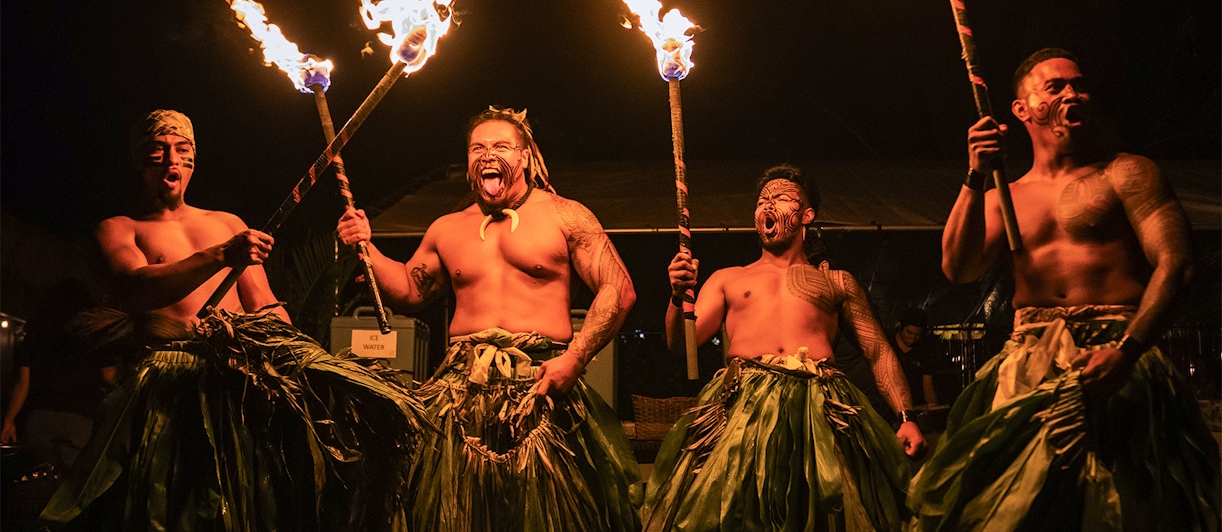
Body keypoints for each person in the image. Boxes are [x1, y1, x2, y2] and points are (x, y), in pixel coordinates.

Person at [41, 109, 426, 532]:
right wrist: (220, 256)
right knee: (168, 508)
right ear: (138, 160)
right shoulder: (120, 228)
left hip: (237, 382)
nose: (171, 160)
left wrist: (303, 359)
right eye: (158, 150)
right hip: (167, 383)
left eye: (182, 150)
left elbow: (263, 304)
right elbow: (136, 287)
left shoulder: (226, 223)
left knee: (248, 505)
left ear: (193, 161)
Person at [908, 48, 1220, 531]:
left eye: (1078, 84)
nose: (1073, 93)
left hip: (1118, 356)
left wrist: (1127, 352)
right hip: (1028, 365)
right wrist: (975, 174)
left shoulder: (1126, 172)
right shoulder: (1002, 196)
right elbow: (957, 267)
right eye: (1055, 86)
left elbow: (1177, 265)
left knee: (1130, 508)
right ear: (1022, 109)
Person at [335, 105, 642, 532]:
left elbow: (618, 289)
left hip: (541, 384)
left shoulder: (566, 215)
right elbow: (409, 290)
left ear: (526, 157)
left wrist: (576, 357)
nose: (486, 154)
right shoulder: (447, 228)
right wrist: (366, 248)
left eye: (501, 145)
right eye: (477, 147)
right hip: (461, 390)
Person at [642, 164, 926, 532]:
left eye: (780, 199)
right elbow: (681, 346)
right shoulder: (729, 278)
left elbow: (878, 351)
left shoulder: (835, 283)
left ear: (807, 215)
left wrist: (906, 416)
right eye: (762, 201)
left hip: (821, 411)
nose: (767, 207)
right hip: (743, 409)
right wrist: (678, 297)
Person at [1, 280, 116, 477]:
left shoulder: (37, 334)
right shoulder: (93, 333)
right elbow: (109, 378)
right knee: (72, 489)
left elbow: (23, 383)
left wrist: (9, 421)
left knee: (38, 482)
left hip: (39, 419)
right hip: (80, 419)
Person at [890, 306, 939, 408]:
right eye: (909, 332)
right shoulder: (887, 345)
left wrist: (933, 408)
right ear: (901, 327)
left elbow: (928, 385)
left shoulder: (925, 350)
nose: (912, 338)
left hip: (915, 406)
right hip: (887, 405)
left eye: (917, 335)